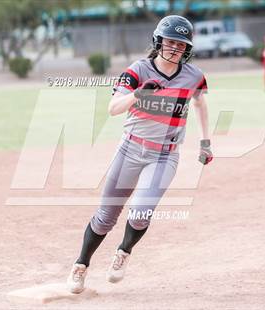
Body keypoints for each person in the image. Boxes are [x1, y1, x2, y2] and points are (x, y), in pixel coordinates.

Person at [66, 15, 213, 294]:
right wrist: (138, 94)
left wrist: (205, 142)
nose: (174, 48)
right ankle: (81, 264)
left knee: (141, 213)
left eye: (181, 44)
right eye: (170, 42)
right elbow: (113, 109)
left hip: (165, 155)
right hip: (130, 149)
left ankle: (124, 251)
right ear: (158, 42)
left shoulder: (193, 75)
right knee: (106, 216)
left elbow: (200, 103)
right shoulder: (138, 70)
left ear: (187, 48)